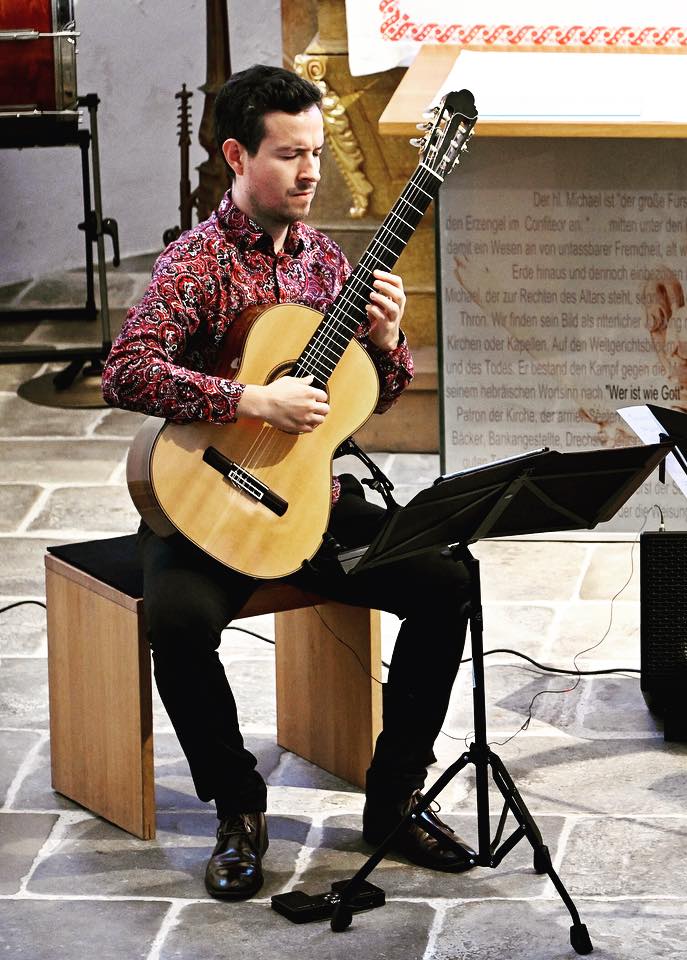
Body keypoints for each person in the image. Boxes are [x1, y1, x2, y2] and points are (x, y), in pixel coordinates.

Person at [101, 64, 476, 901]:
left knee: (450, 582)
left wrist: (388, 339)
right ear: (237, 155)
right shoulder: (194, 264)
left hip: (308, 504)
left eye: (316, 153)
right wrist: (248, 397)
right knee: (177, 621)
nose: (310, 172)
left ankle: (391, 802)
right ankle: (238, 803)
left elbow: (362, 398)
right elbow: (125, 374)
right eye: (288, 155)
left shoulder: (328, 261)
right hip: (209, 503)